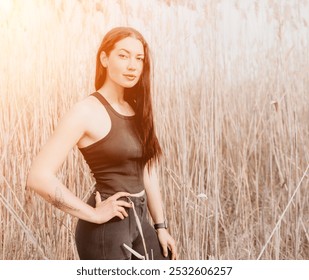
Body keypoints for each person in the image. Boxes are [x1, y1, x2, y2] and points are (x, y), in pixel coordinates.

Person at [26, 27, 177, 260]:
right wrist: (93, 215)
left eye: (139, 58)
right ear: (104, 59)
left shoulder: (137, 109)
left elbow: (148, 170)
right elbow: (38, 176)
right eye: (123, 55)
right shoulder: (85, 111)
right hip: (107, 230)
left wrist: (161, 226)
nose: (133, 65)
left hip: (139, 221)